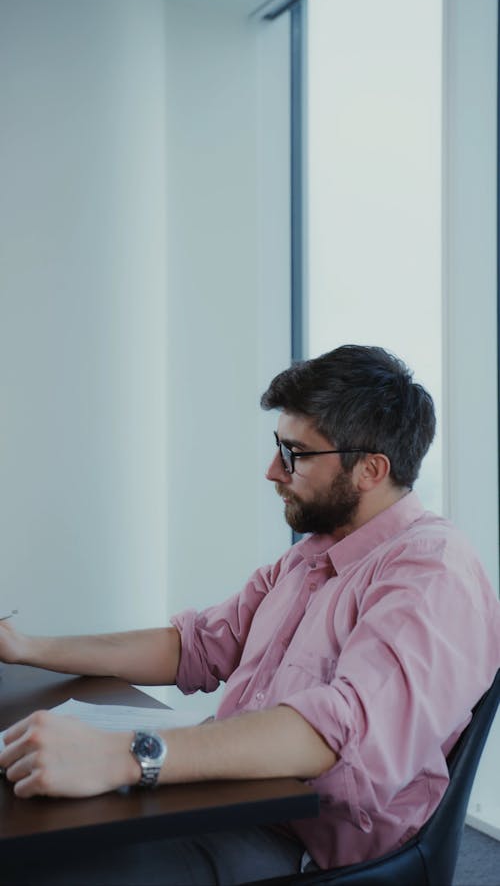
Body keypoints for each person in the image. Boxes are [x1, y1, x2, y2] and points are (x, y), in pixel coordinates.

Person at [0, 345, 499, 886]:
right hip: (239, 805)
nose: (272, 470)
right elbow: (195, 645)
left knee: (47, 867)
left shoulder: (430, 570)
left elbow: (339, 734)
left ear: (370, 470)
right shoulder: (312, 555)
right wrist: (29, 647)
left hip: (314, 851)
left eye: (295, 454)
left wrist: (126, 755)